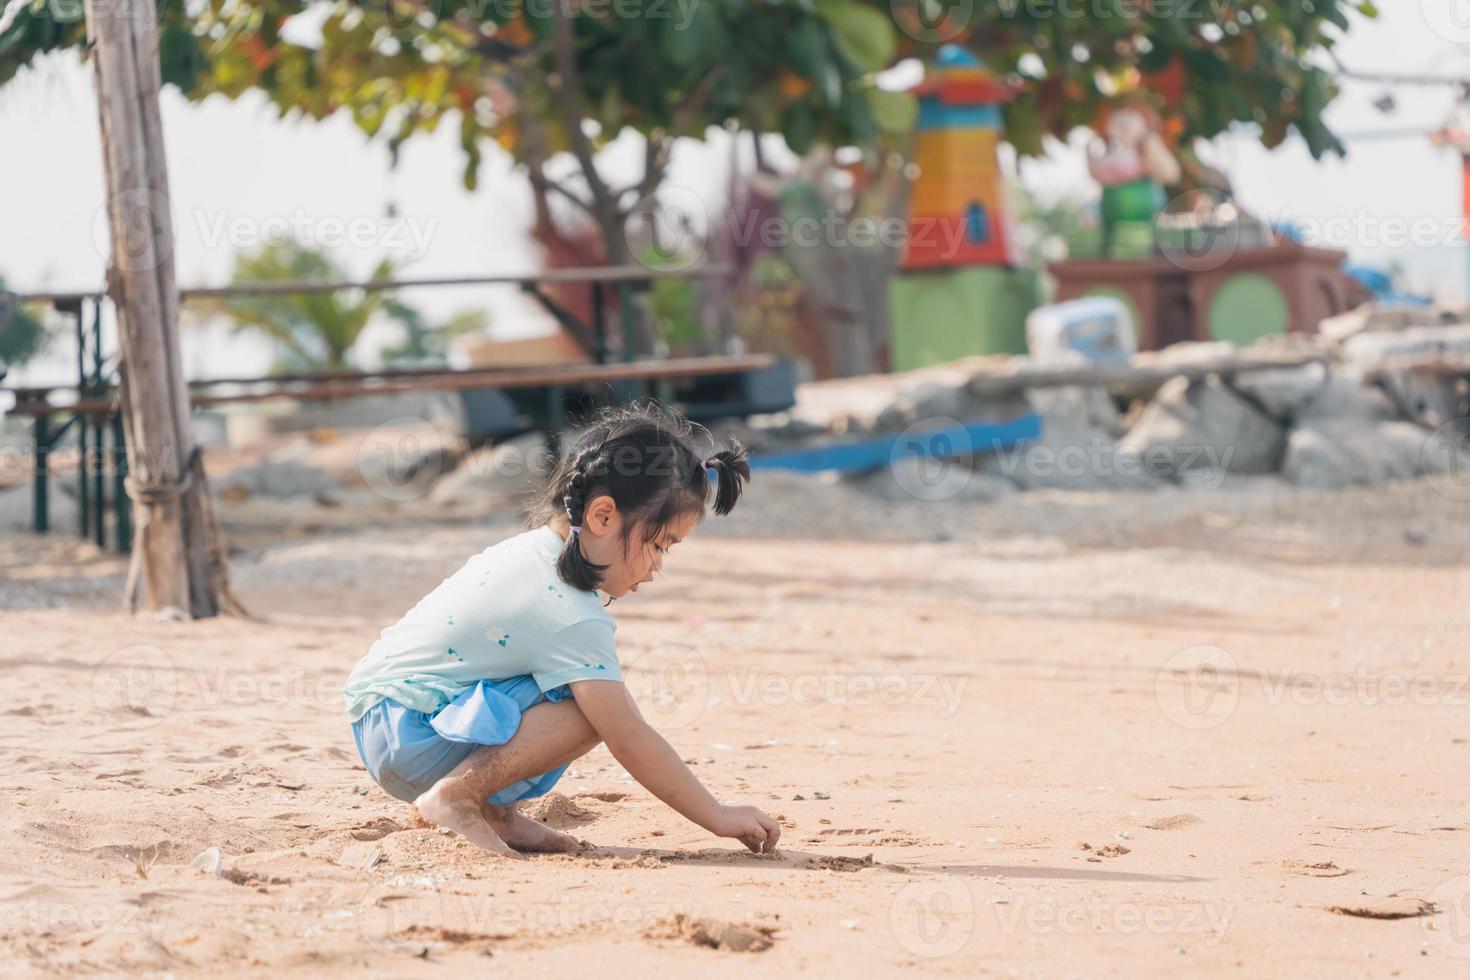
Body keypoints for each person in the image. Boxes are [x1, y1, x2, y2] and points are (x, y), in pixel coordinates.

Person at [342, 403, 781, 857]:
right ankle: (456, 795)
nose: (655, 569)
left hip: (381, 719)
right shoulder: (570, 613)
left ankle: (495, 812)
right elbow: (628, 737)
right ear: (603, 516)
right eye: (657, 545)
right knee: (594, 709)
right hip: (410, 737)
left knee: (584, 690)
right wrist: (719, 815)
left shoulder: (530, 549)